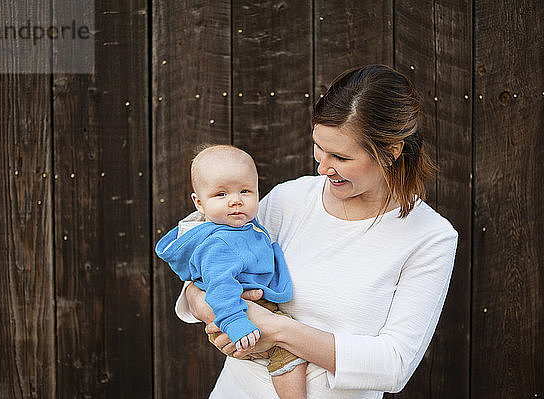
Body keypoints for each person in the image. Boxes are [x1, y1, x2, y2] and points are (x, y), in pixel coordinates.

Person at [175, 64, 459, 398]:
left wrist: (278, 330)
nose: (322, 167)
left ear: (391, 152)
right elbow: (207, 261)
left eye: (340, 156)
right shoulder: (289, 198)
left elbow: (394, 365)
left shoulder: (429, 237)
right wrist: (208, 308)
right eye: (318, 147)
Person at [155, 145, 308, 399]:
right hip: (236, 310)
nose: (235, 200)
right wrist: (235, 323)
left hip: (244, 306)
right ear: (199, 203)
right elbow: (220, 287)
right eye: (221, 194)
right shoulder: (220, 244)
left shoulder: (241, 226)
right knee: (290, 351)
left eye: (245, 191)